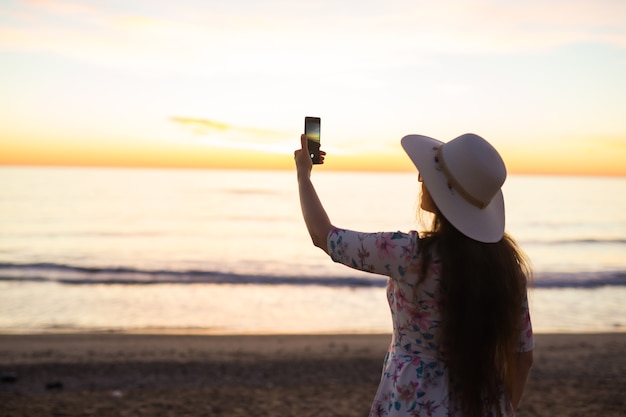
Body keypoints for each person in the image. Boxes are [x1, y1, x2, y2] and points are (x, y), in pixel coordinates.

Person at [294, 132, 534, 417]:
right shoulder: (507, 268)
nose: (421, 179)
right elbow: (523, 356)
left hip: (413, 403)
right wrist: (505, 407)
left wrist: (303, 176)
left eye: (429, 174)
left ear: (445, 191)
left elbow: (324, 236)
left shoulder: (409, 254)